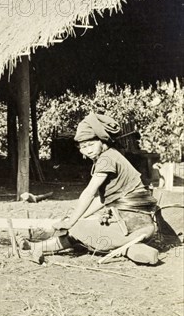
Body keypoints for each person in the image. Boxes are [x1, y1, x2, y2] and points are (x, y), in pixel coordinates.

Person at [20, 113, 159, 265]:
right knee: (79, 226)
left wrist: (72, 221)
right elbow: (102, 199)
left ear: (102, 141)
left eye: (91, 144)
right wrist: (76, 217)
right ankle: (35, 246)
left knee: (77, 229)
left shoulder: (107, 159)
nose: (88, 150)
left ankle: (124, 248)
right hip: (141, 225)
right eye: (83, 147)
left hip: (132, 227)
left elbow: (89, 193)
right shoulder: (111, 156)